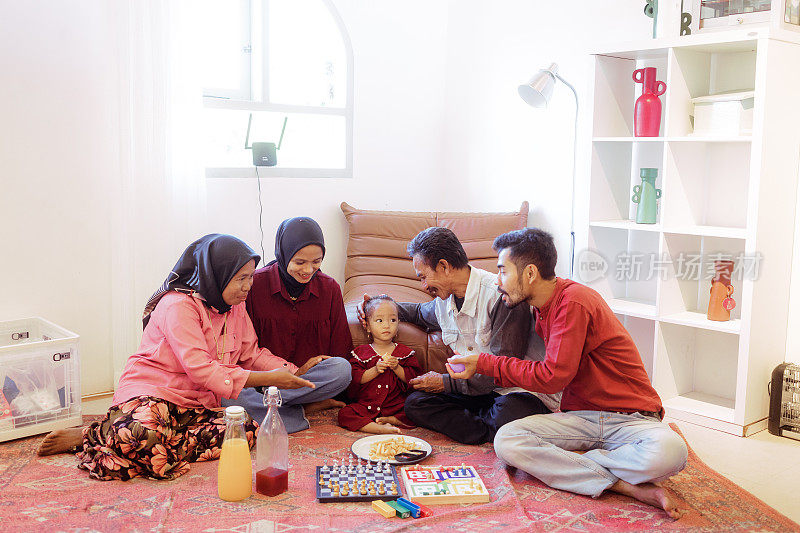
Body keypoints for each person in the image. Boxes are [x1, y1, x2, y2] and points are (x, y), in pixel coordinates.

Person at [447, 228, 688, 519]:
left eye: (502, 271)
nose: (497, 282)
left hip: (631, 419)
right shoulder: (539, 308)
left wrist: (484, 363)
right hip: (581, 418)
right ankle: (623, 484)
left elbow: (552, 377)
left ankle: (580, 464)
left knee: (672, 452)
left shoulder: (574, 301)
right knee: (507, 440)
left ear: (530, 273)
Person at [37, 234, 315, 480]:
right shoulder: (178, 305)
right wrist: (268, 379)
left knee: (243, 431)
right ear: (216, 274)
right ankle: (94, 435)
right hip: (153, 394)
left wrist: (292, 372)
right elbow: (201, 369)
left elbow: (251, 353)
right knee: (143, 436)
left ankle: (135, 443)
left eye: (250, 277)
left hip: (195, 404)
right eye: (240, 278)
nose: (248, 286)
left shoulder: (234, 307)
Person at [361, 226, 556, 445]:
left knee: (504, 415)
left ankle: (483, 427)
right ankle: (485, 427)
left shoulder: (502, 296)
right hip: (474, 391)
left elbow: (500, 371)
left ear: (443, 266)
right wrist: (375, 306)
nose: (424, 286)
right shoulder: (445, 301)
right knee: (416, 403)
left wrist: (444, 383)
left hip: (512, 391)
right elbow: (416, 312)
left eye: (424, 277)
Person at [223, 217, 352, 432]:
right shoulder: (254, 285)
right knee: (226, 395)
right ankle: (301, 410)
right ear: (283, 254)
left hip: (305, 382)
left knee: (342, 369)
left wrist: (303, 373)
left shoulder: (330, 288)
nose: (308, 270)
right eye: (300, 262)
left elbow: (340, 347)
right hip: (262, 379)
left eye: (317, 262)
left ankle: (273, 406)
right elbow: (245, 350)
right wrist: (274, 376)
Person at [339, 295, 422, 434]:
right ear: (368, 327)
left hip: (396, 406)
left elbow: (413, 380)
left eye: (393, 320)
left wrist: (397, 368)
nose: (387, 325)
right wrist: (375, 370)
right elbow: (355, 379)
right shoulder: (360, 353)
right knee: (345, 414)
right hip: (367, 406)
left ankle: (393, 420)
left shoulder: (405, 353)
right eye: (379, 320)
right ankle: (377, 428)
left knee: (418, 409)